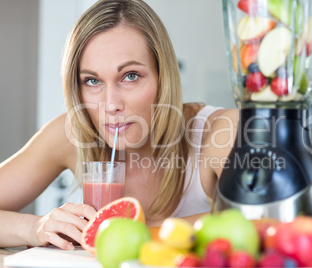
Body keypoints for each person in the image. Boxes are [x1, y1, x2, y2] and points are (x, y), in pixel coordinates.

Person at [0, 0, 237, 251]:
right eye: (92, 81)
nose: (110, 105)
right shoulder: (74, 133)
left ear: (162, 76)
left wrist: (130, 233)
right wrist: (34, 227)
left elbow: (263, 221)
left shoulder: (219, 131)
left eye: (130, 76)